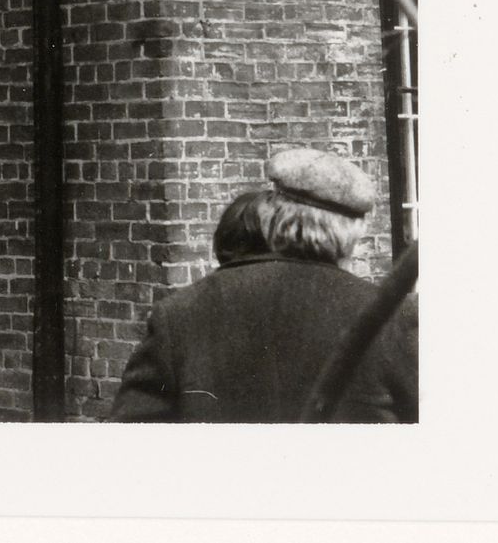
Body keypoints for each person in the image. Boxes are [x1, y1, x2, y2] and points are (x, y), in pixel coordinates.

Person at [108, 147, 418, 423]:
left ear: (268, 217)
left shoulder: (178, 314)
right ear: (354, 233)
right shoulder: (391, 317)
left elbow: (132, 442)